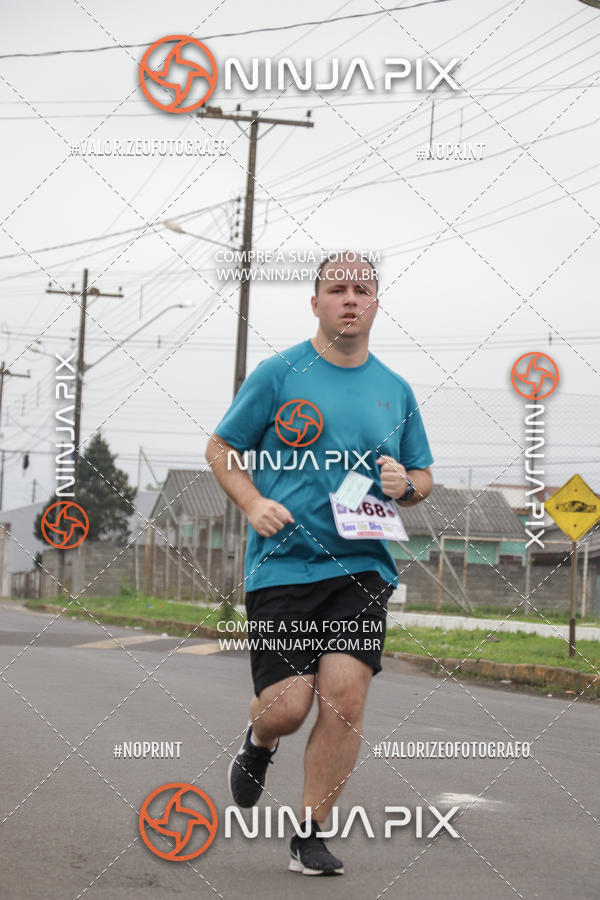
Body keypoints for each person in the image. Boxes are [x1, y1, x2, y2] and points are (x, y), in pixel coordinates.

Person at [206, 251, 433, 876]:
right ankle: (259, 740)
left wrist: (405, 485)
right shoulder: (279, 374)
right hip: (283, 565)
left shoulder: (395, 390)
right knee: (287, 707)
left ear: (376, 304)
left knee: (344, 702)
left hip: (362, 567)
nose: (350, 298)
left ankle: (309, 835)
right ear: (315, 303)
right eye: (337, 289)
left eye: (362, 289)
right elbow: (222, 447)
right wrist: (252, 502)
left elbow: (422, 475)